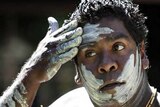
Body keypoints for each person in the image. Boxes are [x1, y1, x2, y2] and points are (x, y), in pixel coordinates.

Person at [0, 0, 160, 106]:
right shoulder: (69, 104)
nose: (105, 64)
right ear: (78, 71)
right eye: (90, 53)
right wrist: (31, 75)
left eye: (117, 47)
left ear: (142, 54)